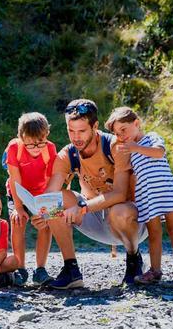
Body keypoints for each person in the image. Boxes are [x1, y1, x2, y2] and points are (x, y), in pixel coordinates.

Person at [35, 99, 147, 290]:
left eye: (82, 131)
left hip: (131, 221)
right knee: (54, 201)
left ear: (95, 126)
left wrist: (83, 207)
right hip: (95, 219)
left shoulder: (114, 147)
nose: (76, 137)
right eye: (71, 131)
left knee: (118, 210)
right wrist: (42, 212)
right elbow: (50, 193)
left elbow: (120, 194)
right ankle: (71, 270)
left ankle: (134, 260)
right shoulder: (67, 155)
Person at [105, 107, 173, 284]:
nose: (121, 136)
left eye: (124, 130)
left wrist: (135, 147)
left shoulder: (151, 137)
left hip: (166, 192)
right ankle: (155, 270)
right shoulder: (130, 151)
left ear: (136, 123)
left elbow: (159, 152)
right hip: (147, 196)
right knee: (154, 234)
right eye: (117, 133)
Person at [3, 112, 58, 286]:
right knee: (17, 221)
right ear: (21, 137)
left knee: (47, 224)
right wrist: (19, 207)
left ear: (46, 135)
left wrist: (43, 209)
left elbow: (51, 179)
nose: (35, 148)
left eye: (40, 142)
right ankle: (20, 267)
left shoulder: (50, 149)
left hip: (42, 191)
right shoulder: (14, 147)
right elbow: (14, 179)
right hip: (18, 190)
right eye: (30, 144)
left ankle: (40, 269)